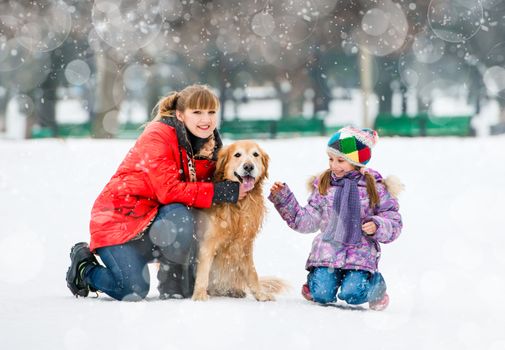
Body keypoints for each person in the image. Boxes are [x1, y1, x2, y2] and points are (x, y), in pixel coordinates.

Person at [66, 84, 250, 301]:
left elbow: (199, 193)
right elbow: (168, 191)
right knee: (132, 290)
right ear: (180, 115)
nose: (206, 119)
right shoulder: (159, 135)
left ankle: (174, 282)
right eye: (197, 112)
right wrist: (221, 191)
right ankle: (84, 269)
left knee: (185, 216)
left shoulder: (210, 145)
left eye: (211, 112)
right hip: (120, 220)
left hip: (154, 222)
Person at [268, 126, 402, 310]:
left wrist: (378, 225)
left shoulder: (376, 188)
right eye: (331, 159)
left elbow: (393, 220)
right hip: (328, 254)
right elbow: (306, 221)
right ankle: (317, 282)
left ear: (357, 163)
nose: (334, 165)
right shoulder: (324, 185)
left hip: (359, 256)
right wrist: (284, 199)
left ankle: (375, 288)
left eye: (341, 160)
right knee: (322, 294)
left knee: (353, 293)